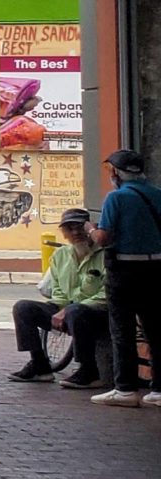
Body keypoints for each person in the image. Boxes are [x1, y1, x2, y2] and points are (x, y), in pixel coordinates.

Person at [91, 149, 161, 404]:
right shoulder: (157, 194)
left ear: (116, 173)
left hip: (124, 270)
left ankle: (125, 389)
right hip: (156, 269)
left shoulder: (116, 198)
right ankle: (159, 390)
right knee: (155, 330)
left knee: (122, 330)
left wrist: (90, 230)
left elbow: (103, 238)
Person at [12, 206, 107, 383]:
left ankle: (89, 370)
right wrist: (59, 308)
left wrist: (70, 309)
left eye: (80, 227)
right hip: (68, 311)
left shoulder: (104, 255)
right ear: (64, 233)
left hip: (96, 314)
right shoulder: (60, 255)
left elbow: (106, 294)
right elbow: (58, 291)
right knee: (23, 307)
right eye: (69, 228)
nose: (75, 232)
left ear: (89, 228)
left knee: (76, 311)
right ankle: (39, 365)